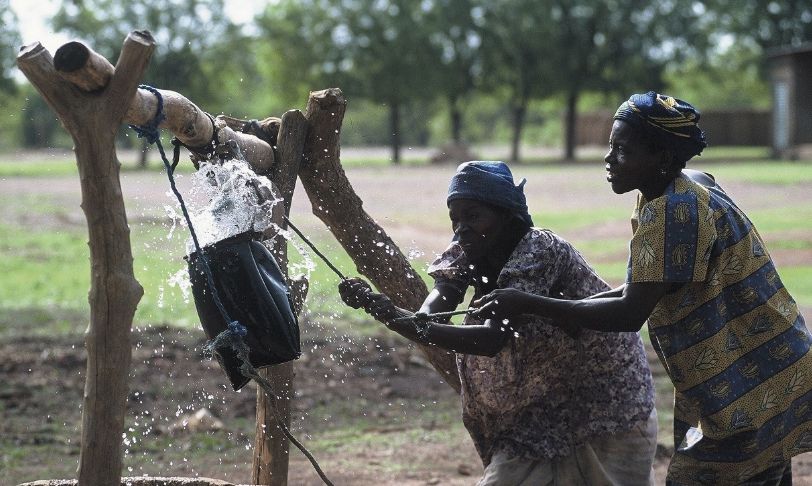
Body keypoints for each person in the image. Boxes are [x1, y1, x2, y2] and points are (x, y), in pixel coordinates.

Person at [473, 92, 812, 485]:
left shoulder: (670, 214)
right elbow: (644, 286)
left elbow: (631, 312)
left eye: (624, 150)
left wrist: (530, 304)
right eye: (611, 146)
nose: (609, 158)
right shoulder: (687, 187)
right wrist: (546, 308)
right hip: (781, 364)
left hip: (744, 388)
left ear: (663, 158)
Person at [339, 161, 658, 485]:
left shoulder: (539, 251)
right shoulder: (469, 248)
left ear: (506, 215)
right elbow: (440, 300)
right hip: (535, 420)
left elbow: (491, 339)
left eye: (473, 216)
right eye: (455, 219)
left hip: (602, 410)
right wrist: (402, 314)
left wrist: (398, 319)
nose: (461, 228)